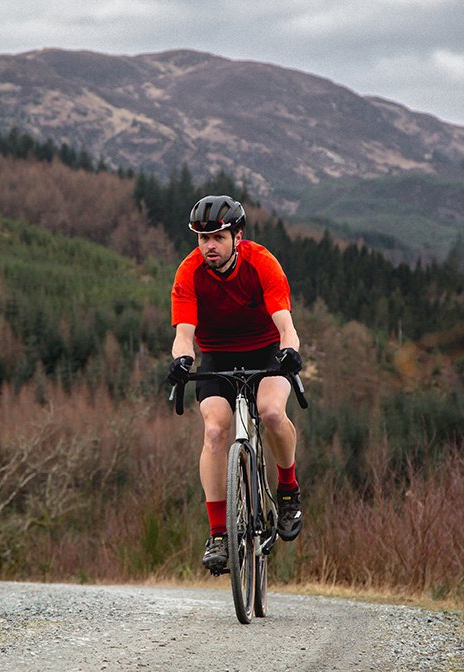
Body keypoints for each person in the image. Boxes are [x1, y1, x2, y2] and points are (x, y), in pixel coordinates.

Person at [166, 194, 304, 573]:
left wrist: (289, 352)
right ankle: (218, 535)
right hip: (216, 356)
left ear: (237, 237)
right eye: (202, 239)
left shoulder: (262, 264)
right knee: (214, 431)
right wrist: (182, 360)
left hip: (265, 349)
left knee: (272, 412)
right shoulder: (189, 272)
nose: (209, 246)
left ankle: (288, 489)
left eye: (218, 238)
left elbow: (286, 326)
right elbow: (184, 334)